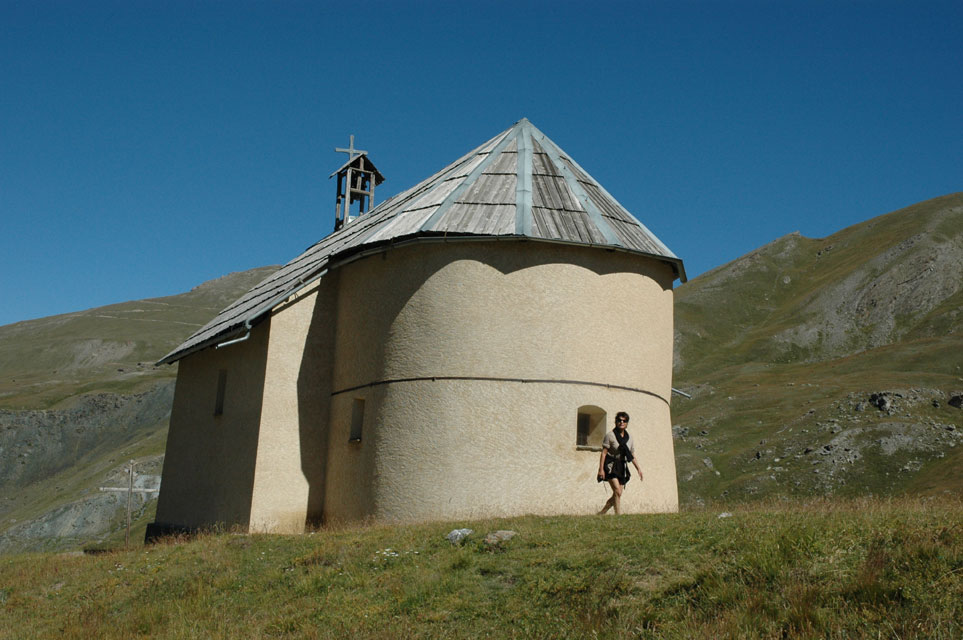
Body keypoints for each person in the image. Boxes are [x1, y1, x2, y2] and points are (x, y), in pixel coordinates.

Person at [597, 411, 643, 515]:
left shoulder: (629, 438)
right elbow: (604, 453)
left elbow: (631, 454)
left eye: (624, 421)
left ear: (627, 423)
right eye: (619, 420)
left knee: (618, 493)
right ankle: (618, 515)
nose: (621, 422)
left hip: (622, 465)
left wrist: (638, 469)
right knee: (617, 491)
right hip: (611, 464)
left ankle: (602, 513)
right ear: (616, 422)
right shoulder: (610, 435)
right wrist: (601, 470)